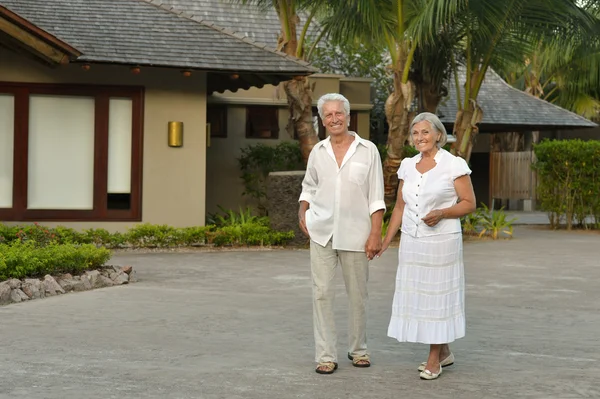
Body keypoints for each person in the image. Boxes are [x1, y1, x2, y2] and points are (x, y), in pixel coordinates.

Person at [377, 112, 476, 380]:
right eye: (415, 133)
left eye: (425, 132)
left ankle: (434, 359)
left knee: (437, 298)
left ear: (438, 136)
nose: (420, 138)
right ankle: (443, 350)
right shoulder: (408, 165)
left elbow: (469, 203)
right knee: (420, 298)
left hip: (442, 243)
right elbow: (400, 206)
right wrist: (386, 240)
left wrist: (443, 213)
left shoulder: (453, 164)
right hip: (412, 242)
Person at [298, 93, 386, 375]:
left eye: (338, 113)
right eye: (328, 115)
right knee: (321, 293)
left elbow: (376, 196)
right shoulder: (318, 151)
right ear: (322, 120)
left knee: (358, 295)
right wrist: (303, 211)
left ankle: (358, 349)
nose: (333, 119)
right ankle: (325, 355)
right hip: (321, 231)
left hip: (357, 233)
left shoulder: (368, 150)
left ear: (348, 117)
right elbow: (308, 186)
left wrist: (375, 234)